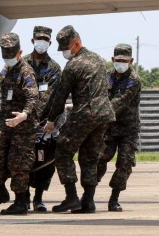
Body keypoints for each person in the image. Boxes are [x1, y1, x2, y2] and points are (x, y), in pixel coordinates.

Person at [43, 25, 115, 213]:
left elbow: (60, 95)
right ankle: (88, 202)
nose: (65, 52)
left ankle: (71, 197)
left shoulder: (73, 65)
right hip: (104, 115)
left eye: (66, 48)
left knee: (63, 151)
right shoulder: (99, 60)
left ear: (76, 43)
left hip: (85, 113)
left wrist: (51, 120)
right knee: (90, 157)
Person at [0, 32, 39, 215]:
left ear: (20, 52)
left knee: (18, 163)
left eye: (10, 56)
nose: (7, 59)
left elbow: (33, 96)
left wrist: (24, 114)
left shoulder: (26, 72)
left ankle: (21, 202)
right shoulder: (6, 70)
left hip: (23, 126)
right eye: (4, 56)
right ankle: (1, 193)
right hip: (5, 124)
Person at [22, 25, 62, 212]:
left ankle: (38, 198)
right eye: (39, 39)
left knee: (45, 162)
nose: (42, 43)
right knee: (24, 160)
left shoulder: (54, 68)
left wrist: (42, 121)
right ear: (32, 40)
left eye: (45, 40)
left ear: (50, 43)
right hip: (23, 123)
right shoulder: (21, 64)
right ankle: (24, 197)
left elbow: (50, 96)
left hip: (46, 123)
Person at [97, 43, 141, 212]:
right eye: (118, 60)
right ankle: (89, 194)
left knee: (124, 163)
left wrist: (98, 111)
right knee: (100, 158)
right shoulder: (106, 76)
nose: (120, 63)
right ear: (112, 59)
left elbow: (120, 101)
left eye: (124, 60)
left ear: (131, 61)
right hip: (109, 127)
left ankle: (114, 199)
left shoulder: (134, 80)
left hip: (128, 130)